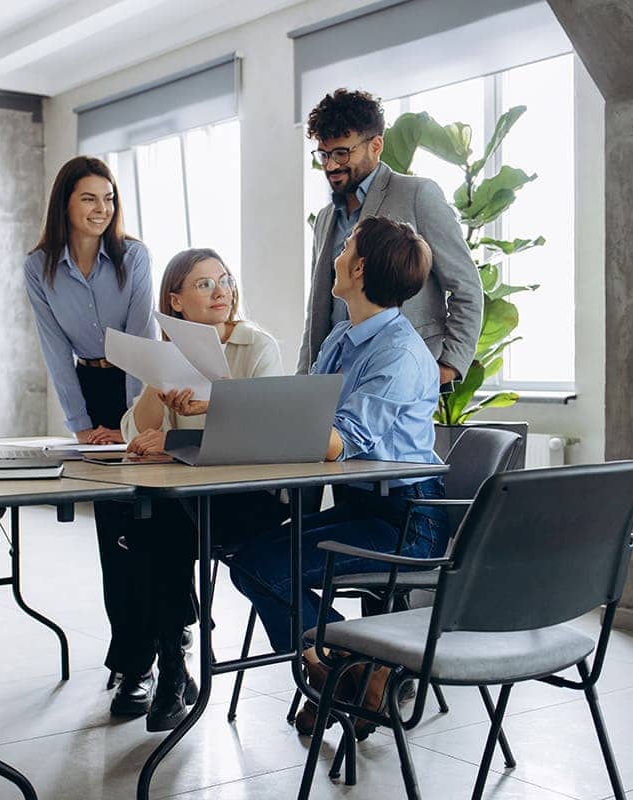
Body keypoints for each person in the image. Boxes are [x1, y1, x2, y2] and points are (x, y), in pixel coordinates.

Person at [228, 216, 448, 731]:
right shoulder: (344, 337)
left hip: (407, 523)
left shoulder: (396, 352)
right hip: (362, 508)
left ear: (361, 266)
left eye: (345, 245)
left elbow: (336, 440)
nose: (336, 254)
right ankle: (347, 670)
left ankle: (336, 670)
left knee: (261, 564)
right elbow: (303, 408)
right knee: (252, 558)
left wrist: (251, 420)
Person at [104, 248, 287, 731]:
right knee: (154, 519)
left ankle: (173, 659)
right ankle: (172, 663)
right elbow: (132, 435)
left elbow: (263, 431)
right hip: (186, 504)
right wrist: (153, 387)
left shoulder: (257, 346)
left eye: (224, 280)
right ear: (176, 301)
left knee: (151, 528)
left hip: (247, 502)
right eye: (204, 284)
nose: (220, 291)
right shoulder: (168, 353)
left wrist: (178, 440)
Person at [299, 88, 482, 390]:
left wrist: (448, 365)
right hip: (336, 376)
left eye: (342, 152)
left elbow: (465, 286)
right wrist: (304, 380)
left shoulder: (418, 195)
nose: (330, 165)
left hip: (403, 374)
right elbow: (317, 309)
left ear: (376, 145)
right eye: (324, 154)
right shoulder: (324, 218)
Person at [24, 156, 155, 444]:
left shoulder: (135, 257)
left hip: (136, 384)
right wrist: (80, 425)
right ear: (64, 203)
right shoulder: (38, 267)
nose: (102, 209)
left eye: (109, 199)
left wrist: (135, 423)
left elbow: (141, 343)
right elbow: (55, 351)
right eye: (89, 199)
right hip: (87, 386)